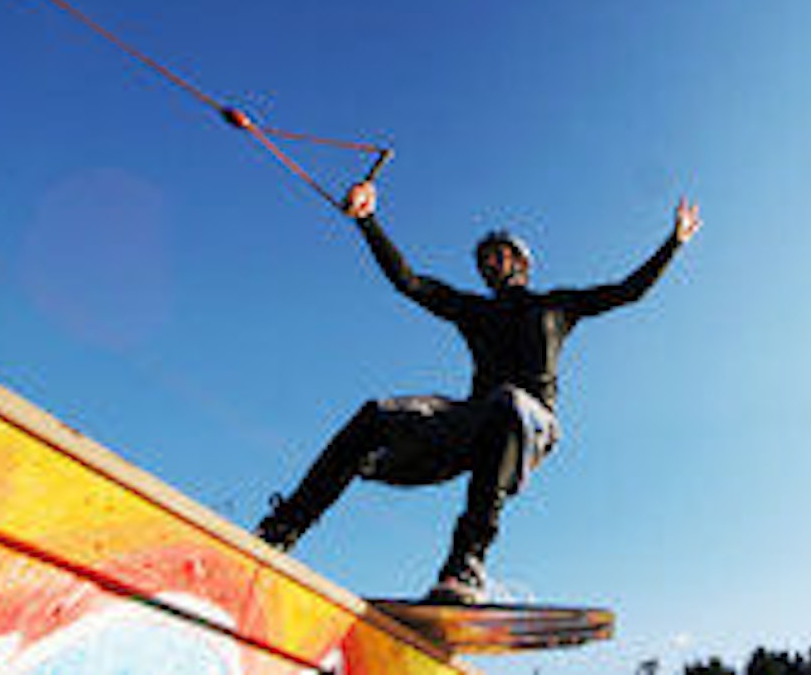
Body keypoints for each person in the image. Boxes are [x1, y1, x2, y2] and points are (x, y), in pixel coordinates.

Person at [255, 181, 701, 604]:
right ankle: (283, 528)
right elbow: (410, 282)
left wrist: (674, 243)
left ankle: (466, 563)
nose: (489, 264)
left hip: (532, 424)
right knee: (376, 414)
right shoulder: (474, 311)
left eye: (498, 256)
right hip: (471, 421)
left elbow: (628, 291)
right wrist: (368, 220)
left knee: (509, 402)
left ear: (521, 263)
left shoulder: (557, 306)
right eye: (484, 260)